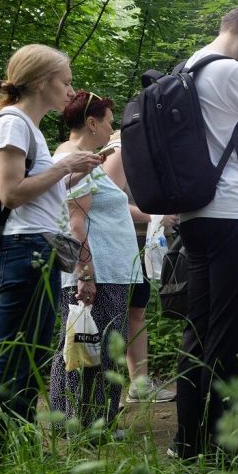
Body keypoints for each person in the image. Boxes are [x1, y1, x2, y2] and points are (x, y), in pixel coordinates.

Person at [0, 45, 102, 458]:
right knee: (12, 351)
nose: (70, 89)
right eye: (65, 80)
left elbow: (36, 196)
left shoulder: (30, 126)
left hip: (39, 245)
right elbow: (10, 194)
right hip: (24, 248)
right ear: (43, 81)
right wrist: (64, 167)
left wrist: (71, 172)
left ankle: (17, 445)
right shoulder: (12, 122)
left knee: (29, 353)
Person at [170, 1, 238, 460]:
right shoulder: (230, 72)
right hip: (232, 214)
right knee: (232, 334)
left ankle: (188, 441)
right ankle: (221, 445)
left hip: (195, 216)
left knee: (200, 330)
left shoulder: (187, 67)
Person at [48, 92, 144, 433]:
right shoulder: (74, 157)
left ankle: (81, 419)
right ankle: (87, 422)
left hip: (108, 269)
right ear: (91, 122)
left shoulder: (79, 157)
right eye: (107, 121)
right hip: (97, 270)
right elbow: (74, 221)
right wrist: (84, 274)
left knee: (90, 343)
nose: (111, 128)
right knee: (90, 344)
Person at [99, 129, 175, 403]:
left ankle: (138, 385)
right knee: (116, 314)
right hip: (121, 244)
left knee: (136, 311)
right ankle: (103, 394)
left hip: (141, 243)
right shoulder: (121, 149)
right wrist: (156, 216)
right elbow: (109, 200)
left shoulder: (144, 151)